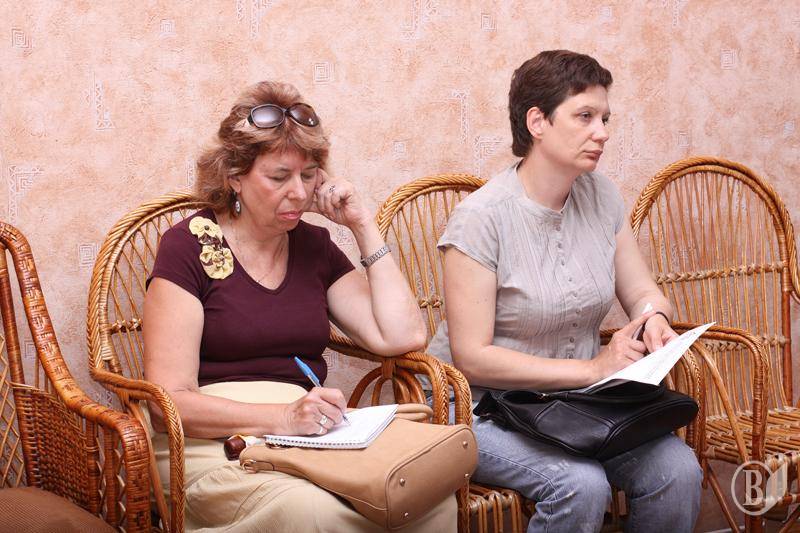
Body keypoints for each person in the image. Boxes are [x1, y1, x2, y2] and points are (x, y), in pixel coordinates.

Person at [143, 81, 457, 532]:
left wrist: (362, 225)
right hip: (208, 443)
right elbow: (167, 404)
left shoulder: (314, 245)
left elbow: (402, 336)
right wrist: (282, 417)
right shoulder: (188, 246)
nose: (298, 192)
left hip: (303, 439)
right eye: (279, 177)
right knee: (315, 513)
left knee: (425, 502)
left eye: (309, 175)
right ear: (234, 176)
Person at [426, 50, 702, 533]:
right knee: (580, 484)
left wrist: (654, 317)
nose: (603, 132)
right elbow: (472, 358)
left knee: (677, 471)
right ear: (538, 122)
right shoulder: (480, 218)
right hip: (478, 408)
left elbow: (642, 290)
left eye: (605, 118)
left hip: (572, 405)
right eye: (585, 116)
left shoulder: (602, 196)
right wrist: (594, 369)